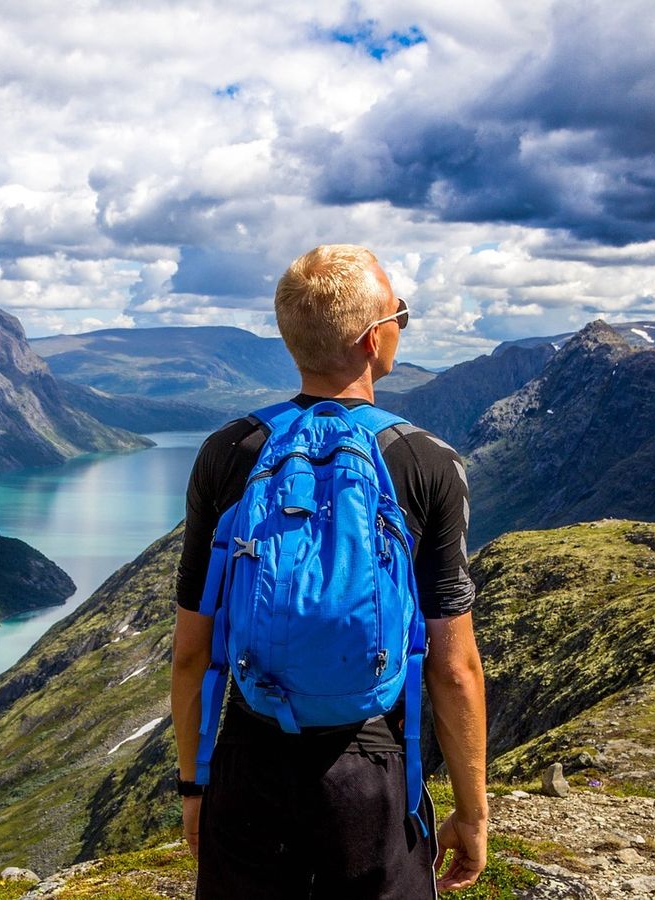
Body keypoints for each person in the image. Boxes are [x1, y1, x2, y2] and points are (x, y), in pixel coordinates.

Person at [171, 244, 489, 898]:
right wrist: (472, 812)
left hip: (251, 759)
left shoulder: (230, 452)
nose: (403, 323)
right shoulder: (426, 462)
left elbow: (192, 653)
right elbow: (454, 667)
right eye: (401, 313)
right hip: (374, 772)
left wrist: (196, 786)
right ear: (374, 339)